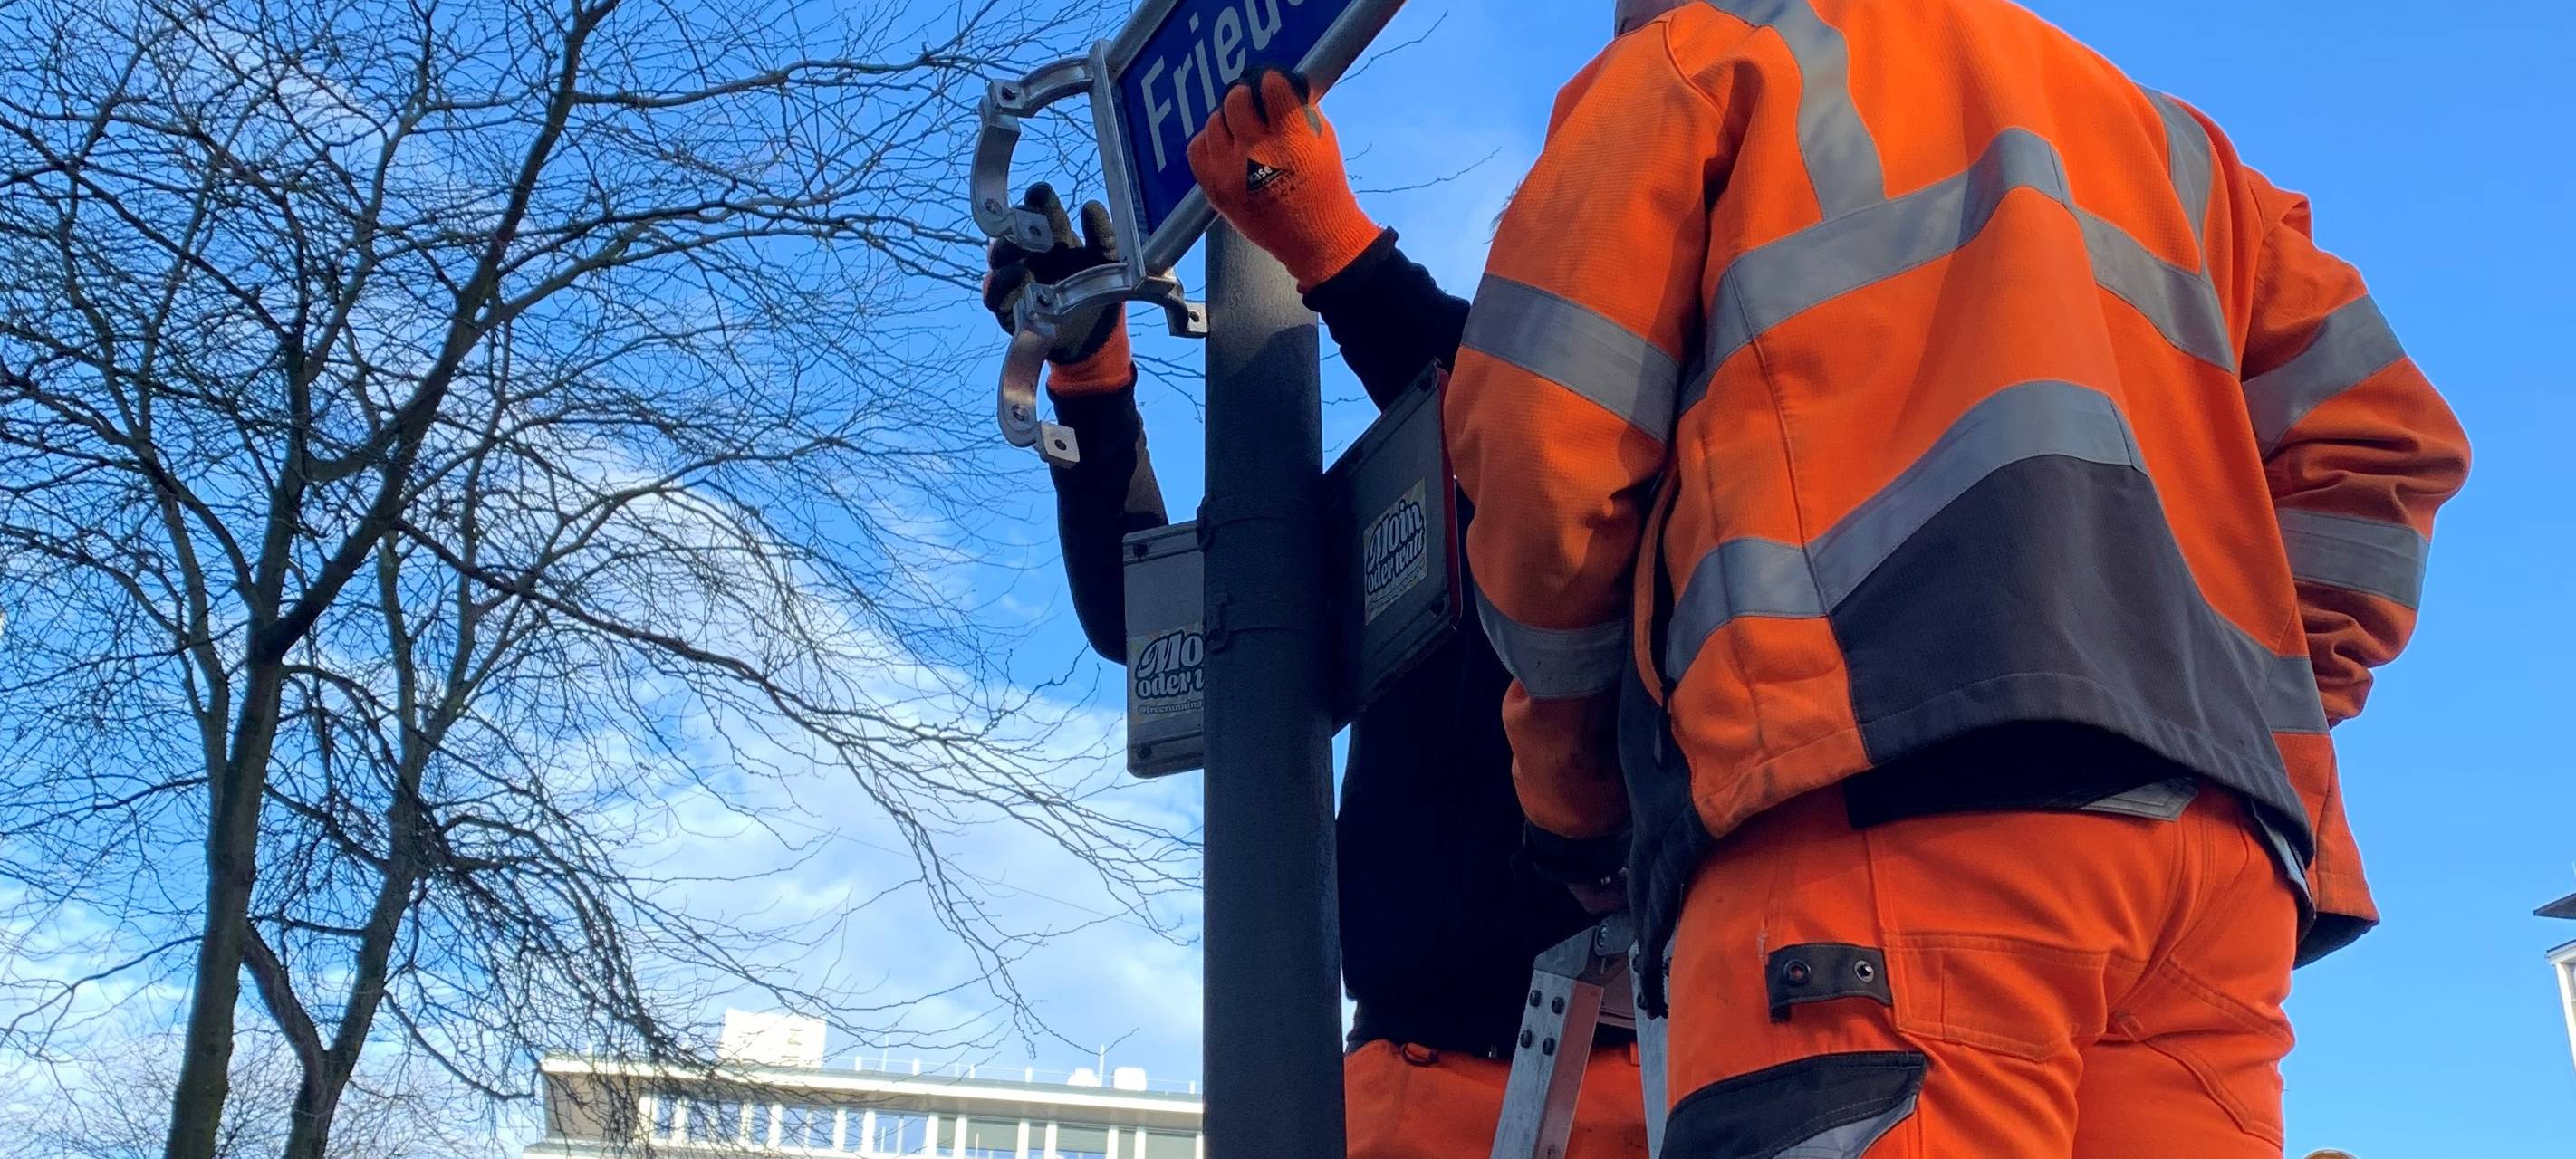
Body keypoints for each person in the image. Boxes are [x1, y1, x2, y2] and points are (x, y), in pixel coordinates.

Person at [1440, 1, 2469, 1154]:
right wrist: (2237, 683)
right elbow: (2390, 440)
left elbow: (1542, 451)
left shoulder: (1701, 61)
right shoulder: (2181, 149)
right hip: (2214, 867)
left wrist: (1576, 797)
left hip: (1880, 815)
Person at [979, 74, 1649, 1159]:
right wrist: (1093, 383)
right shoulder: (1438, 469)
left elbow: (1505, 384)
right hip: (1401, 1095)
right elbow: (1168, 622)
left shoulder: (1684, 454)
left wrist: (1335, 249)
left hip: (1636, 1077)